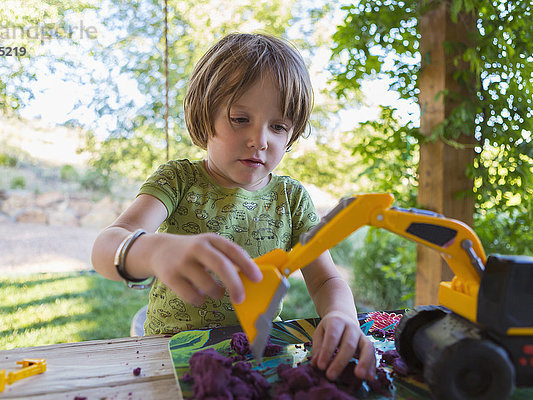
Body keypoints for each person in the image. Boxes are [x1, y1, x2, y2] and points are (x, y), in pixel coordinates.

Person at [91, 32, 376, 381]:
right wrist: (152, 250)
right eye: (240, 119)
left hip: (256, 358)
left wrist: (341, 315)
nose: (260, 140)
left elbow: (325, 279)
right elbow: (106, 247)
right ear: (204, 115)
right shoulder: (178, 180)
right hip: (171, 357)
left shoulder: (292, 199)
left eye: (278, 126)